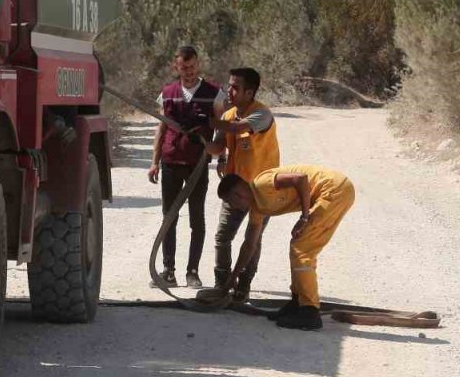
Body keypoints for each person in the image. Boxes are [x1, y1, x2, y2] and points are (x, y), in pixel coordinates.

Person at [211, 165, 356, 330]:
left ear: (239, 193)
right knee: (298, 246)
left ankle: (310, 311)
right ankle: (297, 303)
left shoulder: (262, 184)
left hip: (334, 190)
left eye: (230, 201)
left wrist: (304, 217)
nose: (233, 207)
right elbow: (249, 245)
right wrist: (232, 279)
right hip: (332, 191)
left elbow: (300, 179)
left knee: (302, 249)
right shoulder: (257, 208)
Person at [147, 46, 227, 288]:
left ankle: (192, 271)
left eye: (192, 67)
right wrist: (154, 162)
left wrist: (222, 156)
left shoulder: (214, 93)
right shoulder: (168, 93)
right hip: (170, 161)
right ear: (176, 66)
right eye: (184, 67)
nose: (188, 71)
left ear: (198, 65)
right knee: (169, 217)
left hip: (198, 163)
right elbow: (161, 128)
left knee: (196, 219)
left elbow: (222, 127)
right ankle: (168, 270)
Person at [203, 67, 279, 303]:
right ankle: (222, 282)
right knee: (222, 237)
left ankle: (243, 285)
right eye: (229, 85)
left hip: (260, 191)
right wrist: (201, 137)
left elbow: (237, 129)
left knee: (252, 240)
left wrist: (208, 120)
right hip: (234, 189)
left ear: (250, 91)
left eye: (236, 87)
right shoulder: (227, 116)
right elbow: (217, 148)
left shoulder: (262, 115)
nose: (230, 90)